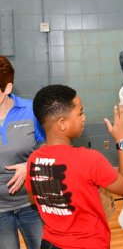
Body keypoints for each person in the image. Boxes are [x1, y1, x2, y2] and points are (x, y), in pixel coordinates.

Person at [25, 84, 123, 249]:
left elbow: (33, 199)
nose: (84, 118)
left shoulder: (33, 160)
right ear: (62, 123)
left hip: (49, 244)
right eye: (80, 113)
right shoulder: (88, 159)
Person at [0, 55, 45, 249]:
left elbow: (51, 149)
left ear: (7, 88)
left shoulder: (30, 110)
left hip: (32, 204)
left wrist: (31, 165)